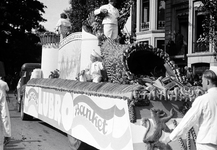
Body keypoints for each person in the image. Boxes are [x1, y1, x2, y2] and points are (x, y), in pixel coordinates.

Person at [165, 66, 217, 150]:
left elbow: (188, 120)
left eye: (202, 81)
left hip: (206, 144)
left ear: (208, 81)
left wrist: (171, 137)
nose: (201, 83)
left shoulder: (203, 99)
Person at [0, 77, 11, 145]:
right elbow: (8, 89)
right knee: (5, 119)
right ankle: (6, 136)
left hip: (2, 102)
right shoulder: (4, 83)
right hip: (2, 102)